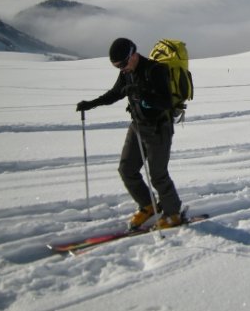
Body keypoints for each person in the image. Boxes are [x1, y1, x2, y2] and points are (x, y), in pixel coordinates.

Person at [76, 37, 183, 230]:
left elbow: (165, 102)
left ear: (133, 55)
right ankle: (149, 205)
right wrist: (91, 104)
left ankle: (173, 213)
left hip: (158, 128)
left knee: (158, 175)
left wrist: (143, 93)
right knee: (127, 170)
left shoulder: (155, 70)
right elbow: (115, 93)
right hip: (138, 126)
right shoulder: (127, 73)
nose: (121, 69)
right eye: (117, 66)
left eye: (123, 64)